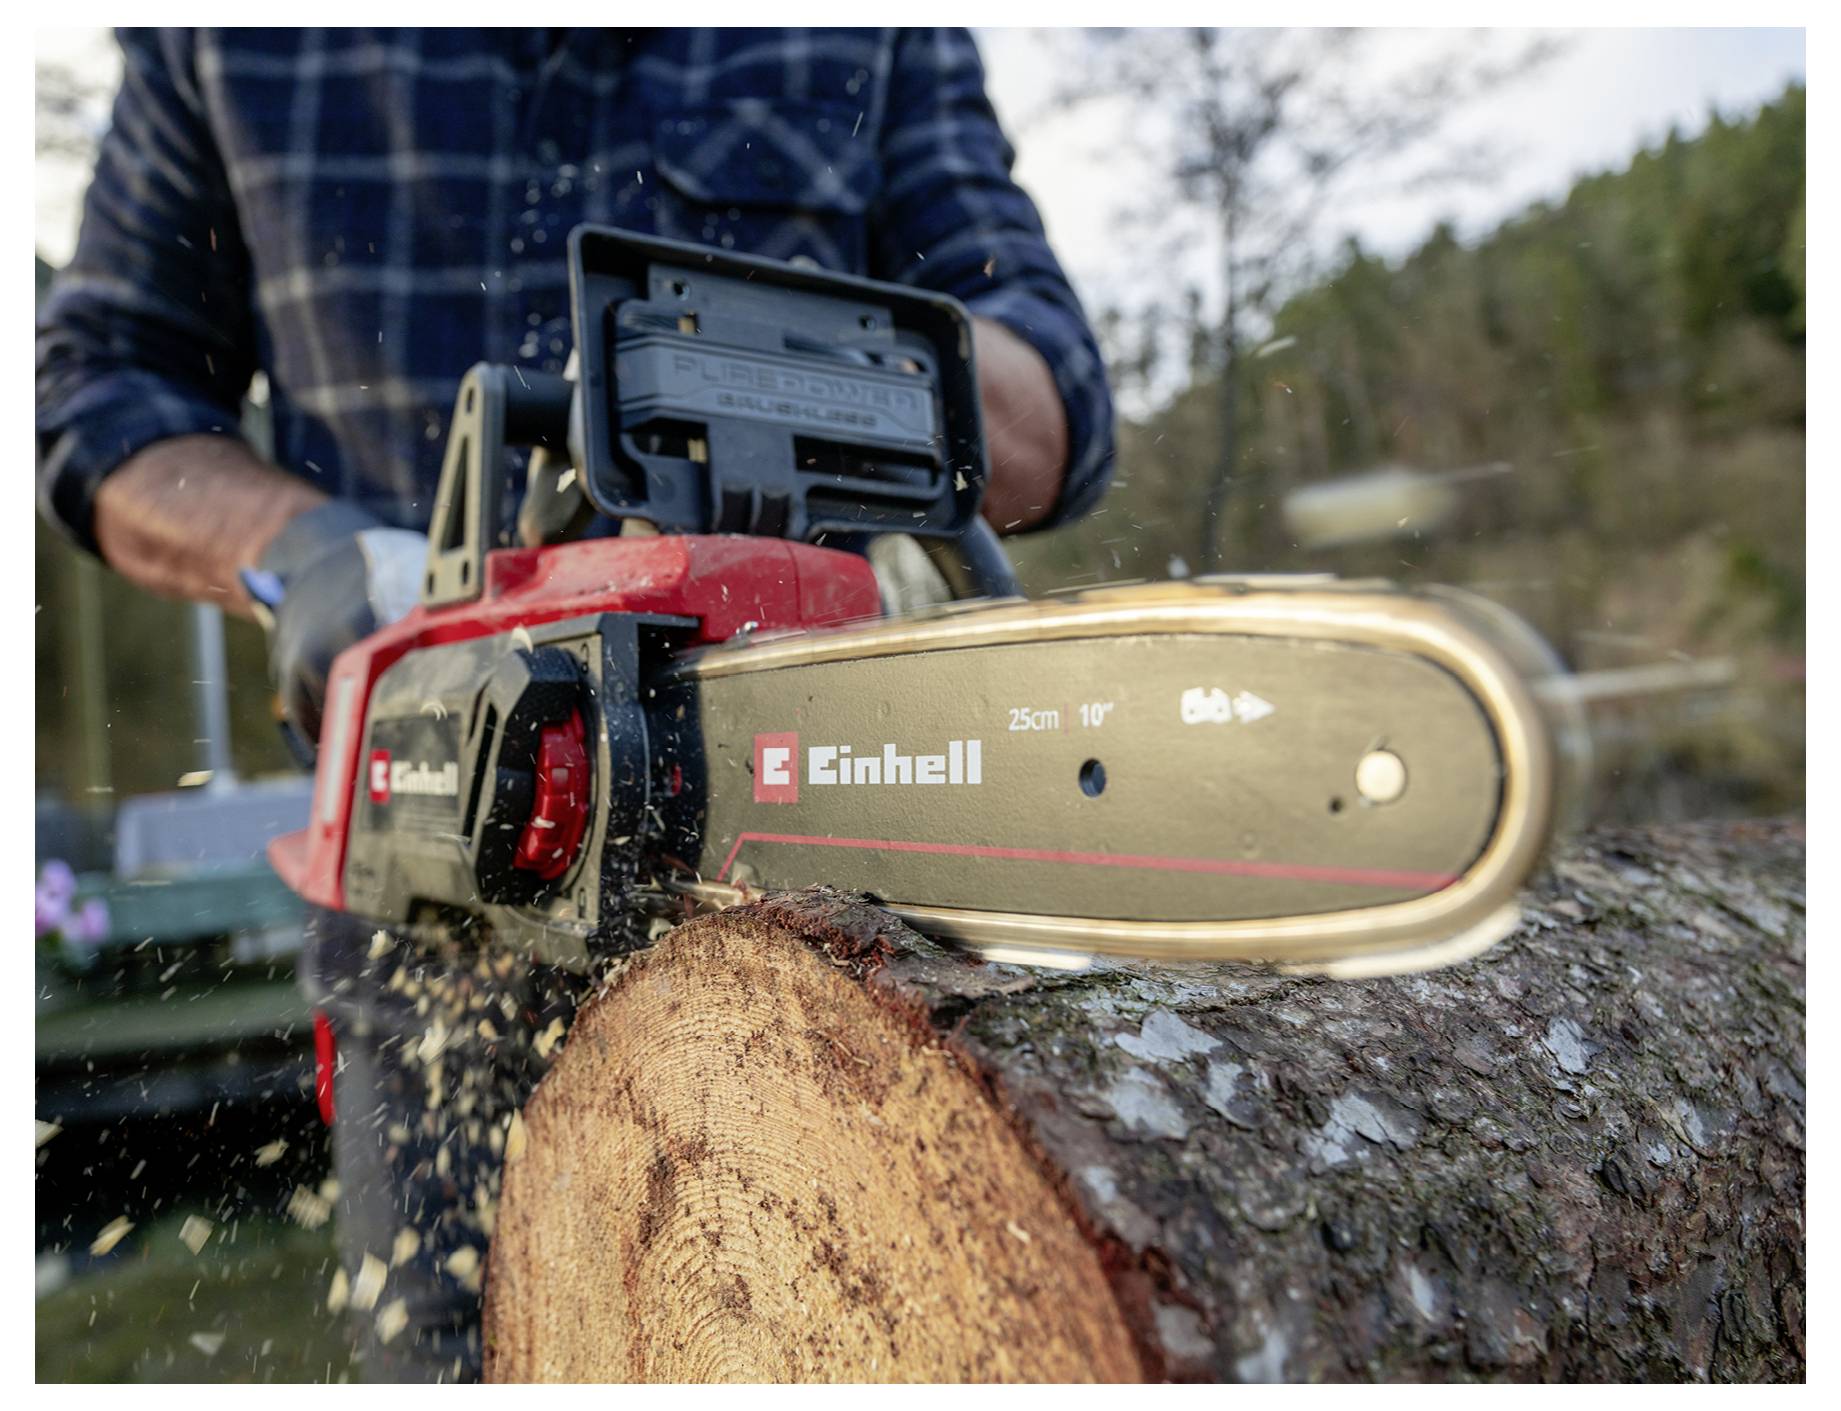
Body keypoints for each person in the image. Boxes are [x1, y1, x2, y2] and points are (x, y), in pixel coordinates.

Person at [37, 28, 1115, 1381]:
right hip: (426, 882)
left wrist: (766, 379)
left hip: (822, 888)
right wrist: (305, 555)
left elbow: (1052, 404)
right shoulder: (233, 39)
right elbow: (94, 394)